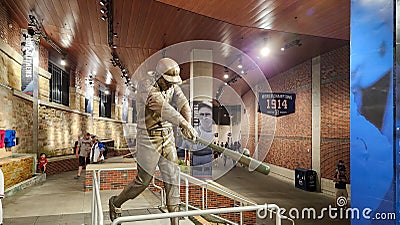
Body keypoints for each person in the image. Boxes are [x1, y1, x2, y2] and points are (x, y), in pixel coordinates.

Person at [108, 58, 197, 224]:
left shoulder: (171, 85)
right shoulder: (146, 86)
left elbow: (183, 103)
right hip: (148, 137)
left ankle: (174, 222)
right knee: (143, 181)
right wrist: (183, 124)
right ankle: (116, 202)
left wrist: (188, 124)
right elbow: (162, 106)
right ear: (159, 76)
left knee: (172, 179)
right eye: (168, 81)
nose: (171, 85)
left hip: (167, 136)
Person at [181, 101, 214, 178]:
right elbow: (183, 149)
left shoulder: (214, 133)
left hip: (207, 167)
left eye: (207, 114)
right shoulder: (193, 132)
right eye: (202, 114)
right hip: (196, 164)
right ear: (198, 116)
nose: (204, 117)